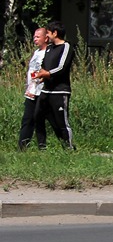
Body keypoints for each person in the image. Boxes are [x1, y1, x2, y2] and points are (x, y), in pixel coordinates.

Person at [34, 21, 75, 150]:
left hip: (60, 90)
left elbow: (62, 67)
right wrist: (41, 74)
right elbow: (45, 65)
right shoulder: (49, 48)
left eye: (48, 33)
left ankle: (68, 146)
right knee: (38, 116)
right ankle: (42, 146)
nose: (46, 35)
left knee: (61, 121)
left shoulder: (66, 47)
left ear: (55, 33)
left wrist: (47, 73)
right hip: (46, 90)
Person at [17, 27, 49, 151]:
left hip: (42, 90)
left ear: (46, 38)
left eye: (37, 37)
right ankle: (23, 146)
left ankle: (43, 146)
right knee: (27, 118)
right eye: (34, 37)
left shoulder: (49, 52)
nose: (35, 39)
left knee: (40, 118)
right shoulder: (36, 52)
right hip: (31, 90)